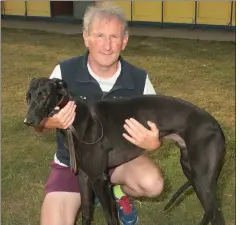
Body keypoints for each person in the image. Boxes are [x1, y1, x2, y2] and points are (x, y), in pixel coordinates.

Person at [32, 4, 163, 225]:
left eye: (114, 37)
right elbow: (38, 123)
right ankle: (91, 193)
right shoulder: (63, 73)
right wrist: (51, 121)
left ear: (124, 41)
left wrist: (154, 143)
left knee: (153, 183)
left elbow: (156, 128)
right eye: (100, 35)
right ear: (86, 38)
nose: (107, 45)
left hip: (119, 163)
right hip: (73, 166)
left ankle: (116, 193)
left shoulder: (140, 80)